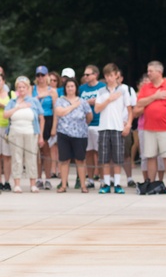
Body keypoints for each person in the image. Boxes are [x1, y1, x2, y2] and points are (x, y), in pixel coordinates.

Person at [134, 61, 166, 194]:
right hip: (149, 128)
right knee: (150, 156)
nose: (148, 73)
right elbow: (139, 102)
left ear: (159, 72)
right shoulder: (146, 88)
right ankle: (151, 181)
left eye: (151, 71)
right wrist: (155, 96)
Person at [93, 63, 133, 194]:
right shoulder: (101, 91)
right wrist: (109, 99)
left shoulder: (123, 90)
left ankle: (116, 183)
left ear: (116, 75)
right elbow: (97, 109)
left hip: (117, 127)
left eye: (112, 75)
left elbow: (129, 109)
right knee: (104, 158)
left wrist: (128, 125)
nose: (109, 78)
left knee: (117, 158)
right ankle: (106, 183)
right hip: (104, 127)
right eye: (107, 75)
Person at [2, 76, 45, 192]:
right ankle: (17, 184)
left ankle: (33, 184)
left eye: (23, 87)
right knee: (16, 158)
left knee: (31, 158)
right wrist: (18, 107)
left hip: (31, 132)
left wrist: (41, 135)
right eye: (19, 87)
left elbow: (42, 118)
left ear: (28, 88)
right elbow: (5, 115)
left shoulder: (34, 101)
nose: (21, 89)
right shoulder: (12, 102)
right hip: (15, 132)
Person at [53, 77, 92, 192]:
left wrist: (84, 124)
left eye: (72, 86)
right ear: (65, 88)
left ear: (76, 88)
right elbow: (60, 112)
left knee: (80, 160)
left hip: (80, 135)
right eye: (68, 86)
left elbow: (89, 116)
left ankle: (83, 185)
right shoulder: (60, 101)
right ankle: (64, 185)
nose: (70, 88)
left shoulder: (83, 101)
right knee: (64, 160)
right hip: (64, 133)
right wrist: (73, 106)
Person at [78, 64, 105, 188]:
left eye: (88, 74)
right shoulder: (82, 88)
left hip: (100, 123)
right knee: (88, 153)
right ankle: (90, 179)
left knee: (100, 153)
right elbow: (78, 103)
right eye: (85, 74)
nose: (85, 76)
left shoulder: (103, 87)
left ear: (95, 75)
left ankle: (103, 178)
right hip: (85, 125)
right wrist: (88, 102)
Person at [32, 66, 58, 188]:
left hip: (48, 119)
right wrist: (40, 96)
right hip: (35, 119)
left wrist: (54, 127)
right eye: (38, 75)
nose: (40, 78)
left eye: (43, 75)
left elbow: (56, 110)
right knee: (37, 151)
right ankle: (38, 178)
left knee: (46, 150)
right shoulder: (32, 89)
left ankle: (48, 178)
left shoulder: (52, 91)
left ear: (47, 76)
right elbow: (29, 101)